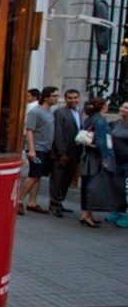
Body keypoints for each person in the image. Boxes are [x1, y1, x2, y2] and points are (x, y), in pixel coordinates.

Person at [17, 86, 58, 215]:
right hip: (37, 148)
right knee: (34, 175)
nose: (56, 98)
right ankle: (18, 200)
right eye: (54, 96)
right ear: (46, 97)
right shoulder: (35, 112)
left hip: (45, 148)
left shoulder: (49, 112)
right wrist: (31, 149)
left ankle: (32, 202)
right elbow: (29, 130)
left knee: (37, 176)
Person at [78, 97, 115, 228]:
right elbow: (101, 141)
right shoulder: (100, 120)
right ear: (103, 107)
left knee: (88, 183)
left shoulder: (90, 118)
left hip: (88, 155)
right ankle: (87, 215)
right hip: (96, 157)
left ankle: (87, 213)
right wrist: (105, 158)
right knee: (93, 184)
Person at [49, 89, 82, 217]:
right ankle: (54, 204)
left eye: (75, 97)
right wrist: (61, 152)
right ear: (66, 99)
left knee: (67, 178)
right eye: (70, 98)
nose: (73, 100)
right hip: (62, 152)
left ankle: (60, 202)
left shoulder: (79, 112)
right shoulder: (59, 112)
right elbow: (58, 133)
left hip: (75, 151)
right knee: (58, 179)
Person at [106, 101, 128, 227]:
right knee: (117, 188)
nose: (122, 109)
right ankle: (116, 211)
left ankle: (126, 215)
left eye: (126, 108)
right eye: (122, 106)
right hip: (116, 161)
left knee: (127, 189)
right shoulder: (116, 123)